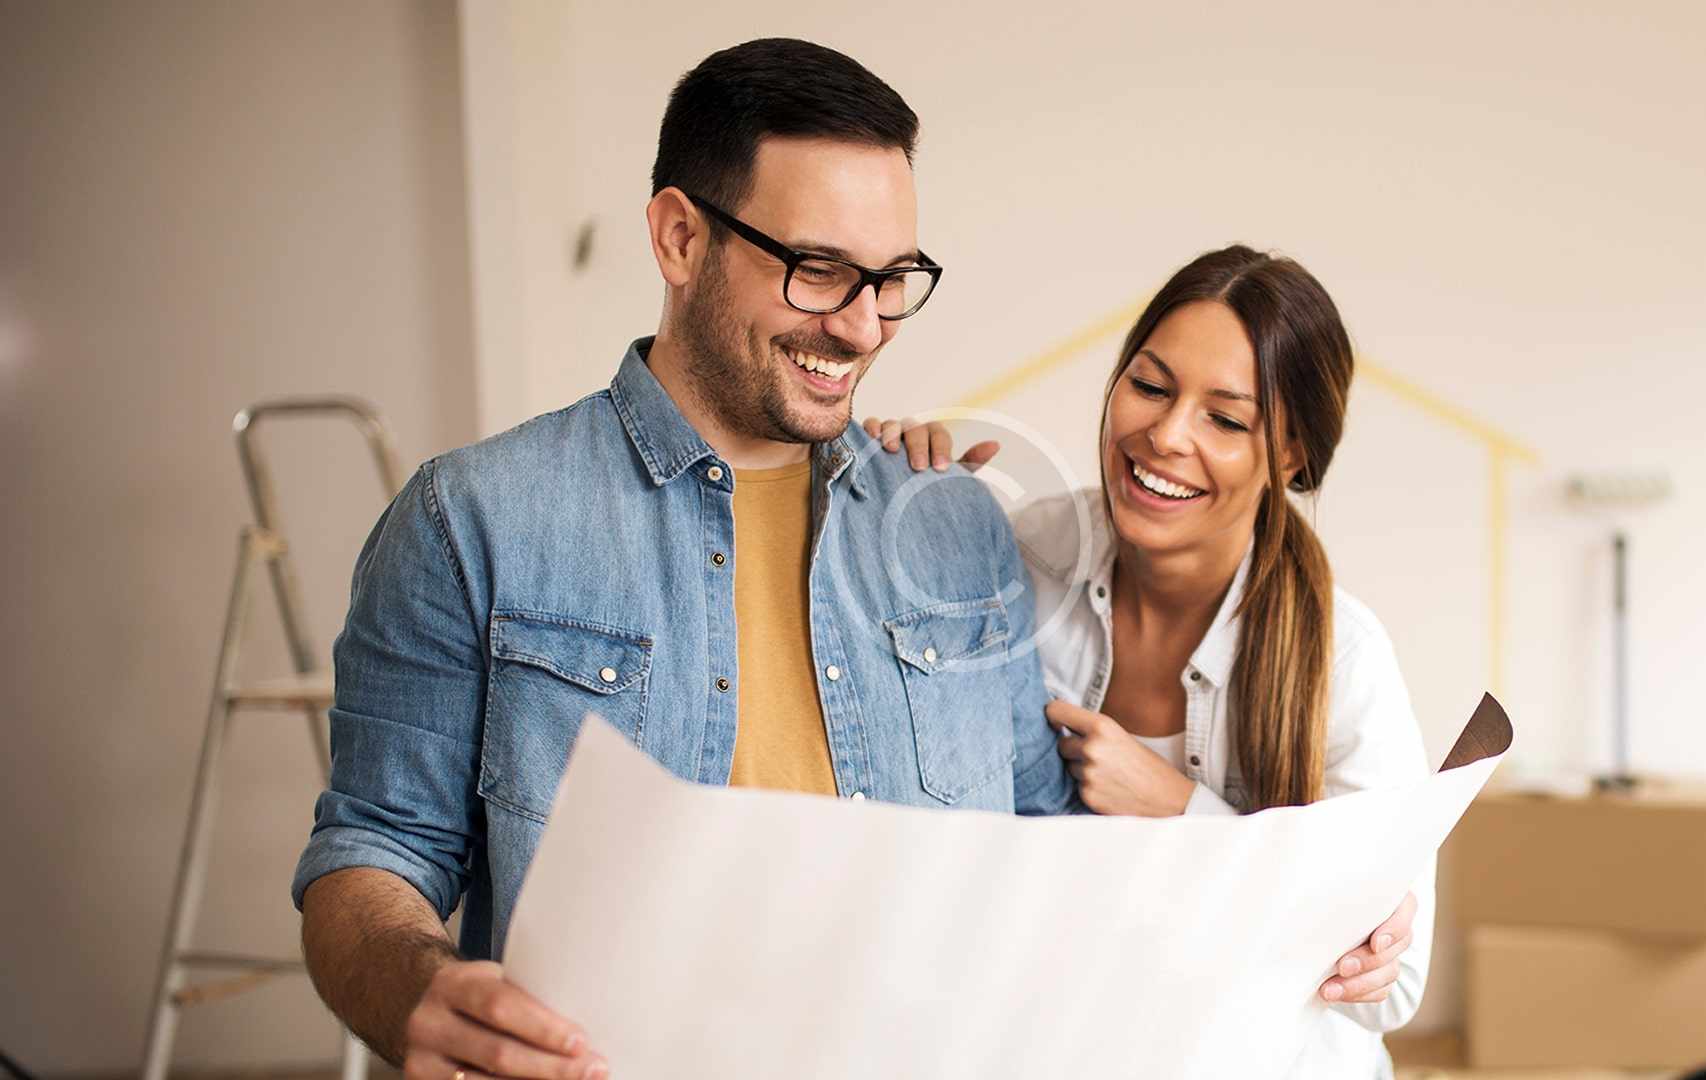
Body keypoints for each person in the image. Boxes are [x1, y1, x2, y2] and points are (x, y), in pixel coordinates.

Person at [292, 38, 1076, 1078]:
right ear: (679, 238)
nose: (863, 328)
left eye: (892, 280)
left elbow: (1045, 851)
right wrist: (418, 993)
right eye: (819, 271)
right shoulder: (470, 519)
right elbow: (373, 852)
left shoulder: (956, 527)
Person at [866, 244, 1435, 1077]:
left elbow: (1391, 991)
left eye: (1226, 420)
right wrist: (898, 491)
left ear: (1290, 457)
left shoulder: (1343, 659)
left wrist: (1177, 810)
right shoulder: (1021, 560)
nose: (1165, 436)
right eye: (1150, 386)